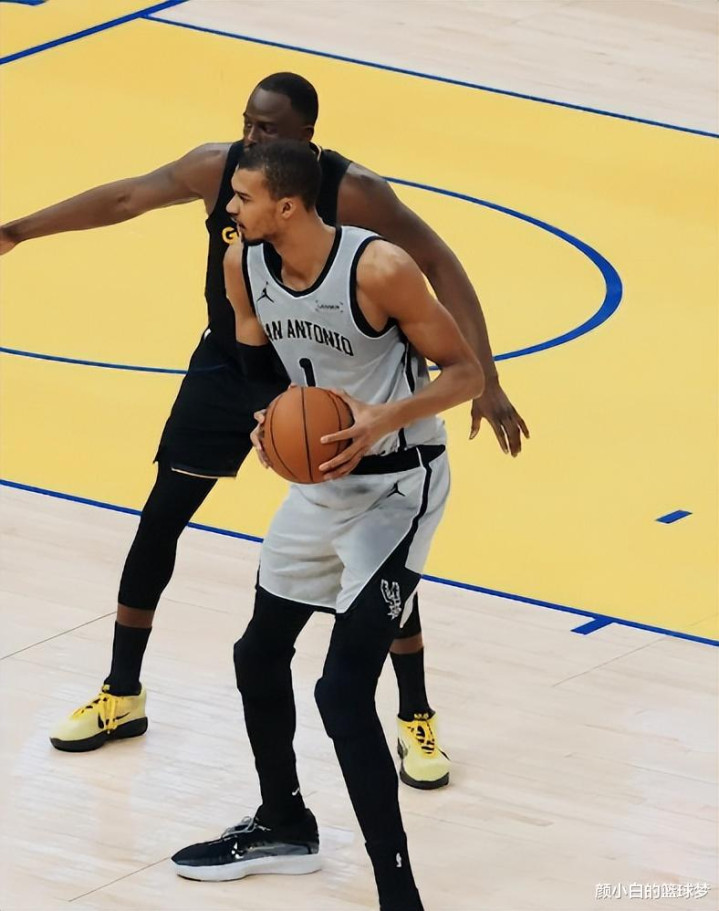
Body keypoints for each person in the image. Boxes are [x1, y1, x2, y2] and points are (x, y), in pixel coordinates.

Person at [0, 73, 527, 787]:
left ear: (306, 137)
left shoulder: (354, 192)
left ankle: (414, 713)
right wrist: (17, 230)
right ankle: (122, 693)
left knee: (373, 544)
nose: (250, 137)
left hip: (327, 375)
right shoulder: (217, 169)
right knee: (161, 517)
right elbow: (126, 198)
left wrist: (486, 377)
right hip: (234, 363)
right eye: (247, 122)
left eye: (268, 129)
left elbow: (435, 259)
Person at [171, 140, 484, 911]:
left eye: (241, 197)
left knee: (341, 692)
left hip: (399, 488)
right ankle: (284, 823)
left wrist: (384, 416)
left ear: (287, 205)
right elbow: (260, 375)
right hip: (320, 487)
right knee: (257, 653)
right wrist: (267, 422)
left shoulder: (378, 268)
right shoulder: (243, 264)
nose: (227, 208)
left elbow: (466, 373)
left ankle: (397, 891)